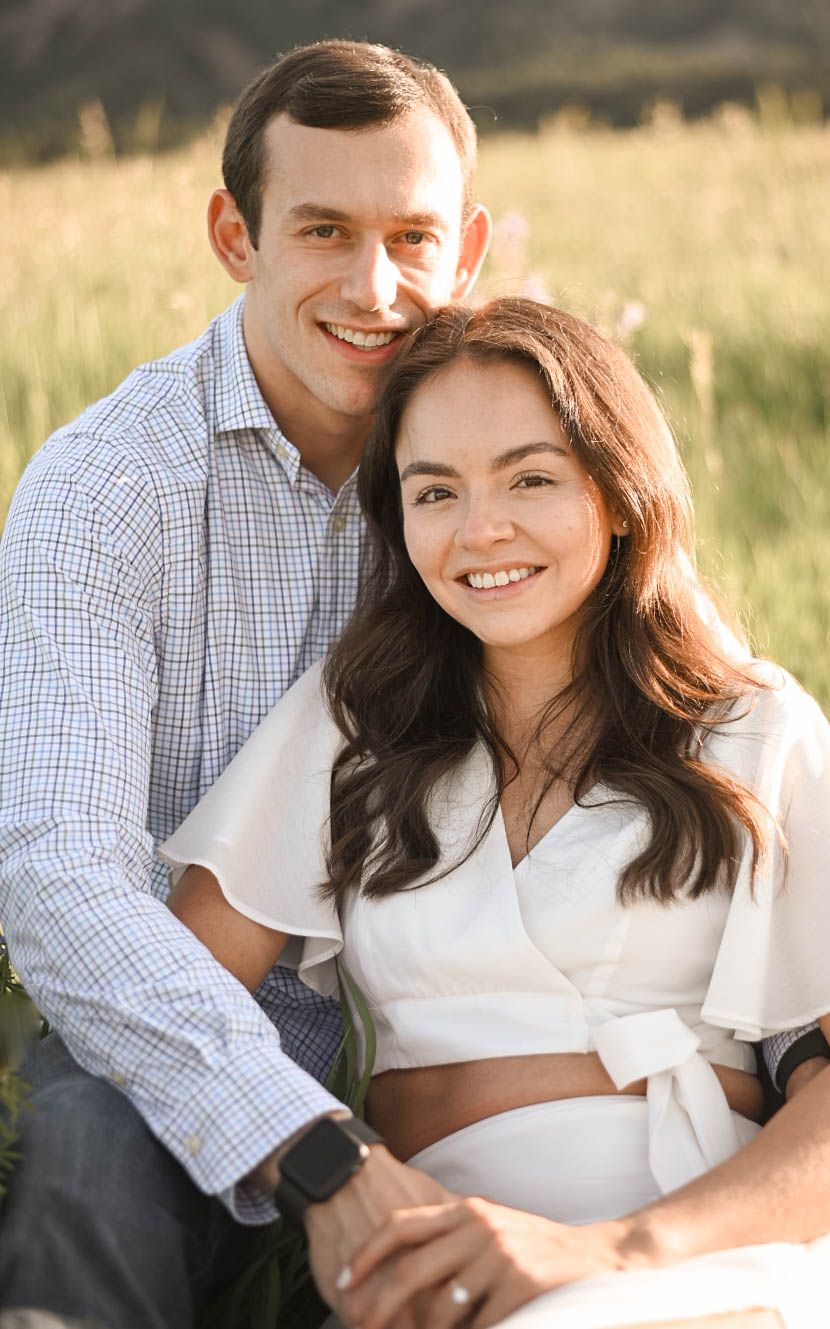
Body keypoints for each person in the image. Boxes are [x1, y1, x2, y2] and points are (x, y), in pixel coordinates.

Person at [163, 298, 830, 1329]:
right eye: (434, 491)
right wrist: (323, 1164)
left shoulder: (749, 722)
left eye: (531, 478)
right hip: (441, 1246)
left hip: (712, 1238)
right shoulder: (354, 721)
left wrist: (615, 1250)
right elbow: (172, 995)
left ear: (620, 491)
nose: (479, 531)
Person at [0, 39, 490, 1325]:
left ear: (469, 250)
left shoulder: (508, 468)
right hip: (197, 995)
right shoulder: (105, 487)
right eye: (323, 229)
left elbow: (668, 728)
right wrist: (306, 1139)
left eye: (413, 239)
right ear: (236, 232)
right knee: (90, 1178)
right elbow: (58, 874)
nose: (374, 287)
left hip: (476, 989)